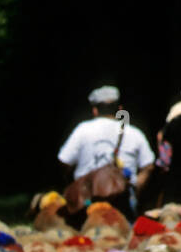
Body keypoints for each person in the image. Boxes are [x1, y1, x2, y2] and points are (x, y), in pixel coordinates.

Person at [56, 86, 155, 223]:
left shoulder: (82, 131)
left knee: (87, 238)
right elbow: (148, 166)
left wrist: (73, 181)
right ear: (120, 109)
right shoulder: (134, 133)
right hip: (123, 200)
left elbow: (64, 161)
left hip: (88, 199)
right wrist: (135, 187)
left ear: (95, 110)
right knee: (124, 238)